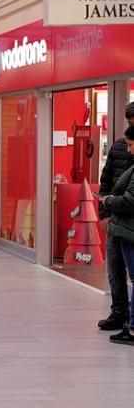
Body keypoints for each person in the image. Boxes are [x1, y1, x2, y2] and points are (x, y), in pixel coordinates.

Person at [96, 102, 134, 331]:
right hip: (115, 219)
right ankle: (119, 311)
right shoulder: (119, 147)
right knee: (115, 268)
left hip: (130, 220)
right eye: (130, 122)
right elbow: (105, 181)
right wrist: (104, 214)